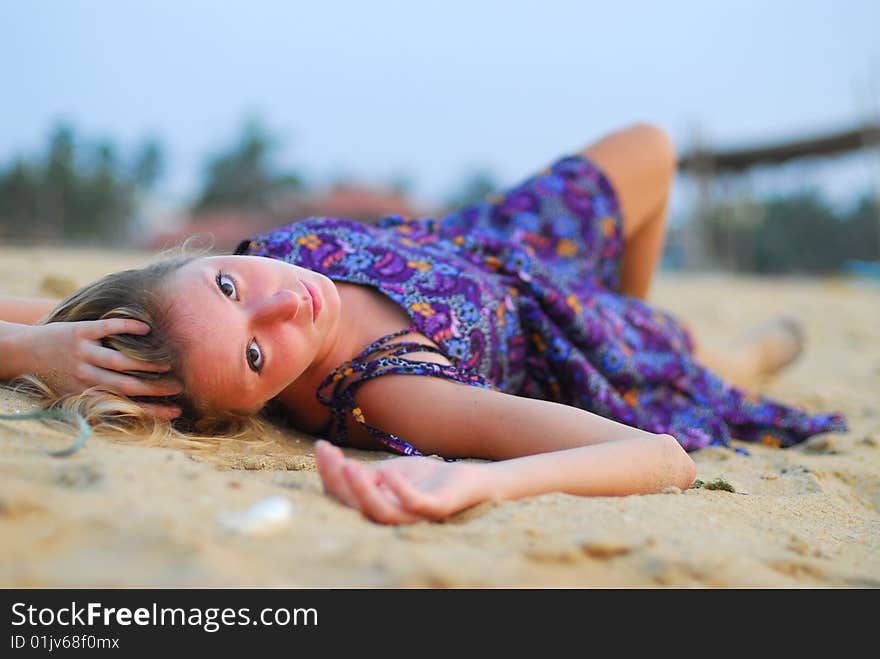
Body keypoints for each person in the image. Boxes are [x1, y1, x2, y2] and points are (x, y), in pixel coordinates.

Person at [0, 123, 847, 525]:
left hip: (493, 238)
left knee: (653, 150)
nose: (285, 302)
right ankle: (725, 348)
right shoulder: (394, 389)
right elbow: (661, 458)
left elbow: (63, 325)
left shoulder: (169, 319)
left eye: (229, 281)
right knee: (714, 364)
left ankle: (645, 309)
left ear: (187, 258)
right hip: (563, 325)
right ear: (255, 402)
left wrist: (30, 344)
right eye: (260, 354)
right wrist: (481, 481)